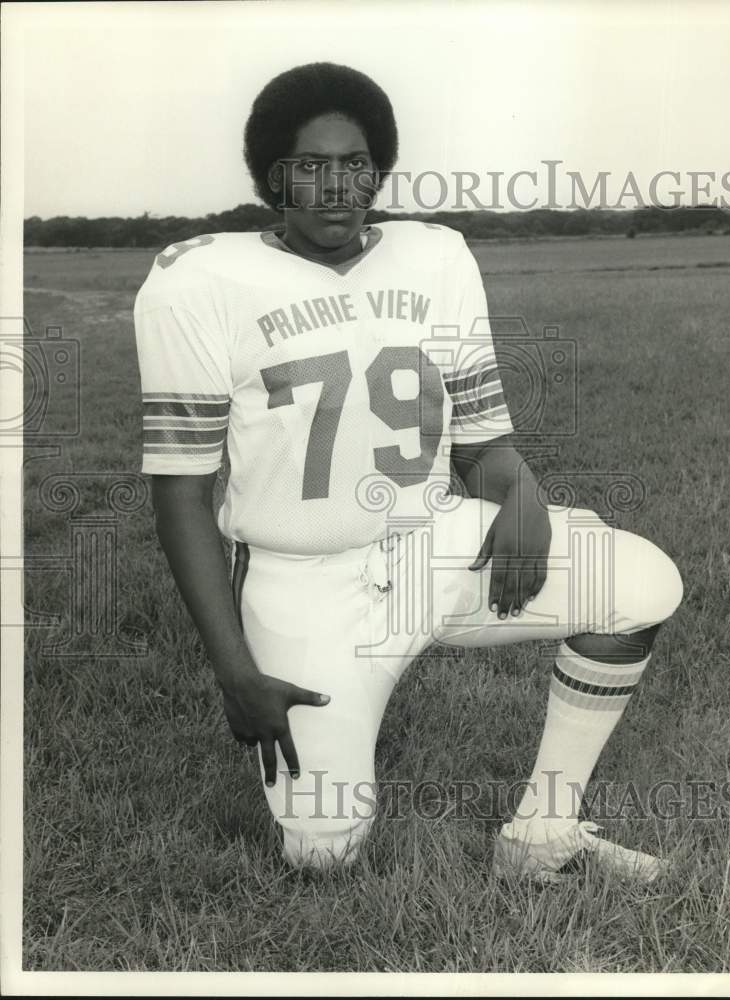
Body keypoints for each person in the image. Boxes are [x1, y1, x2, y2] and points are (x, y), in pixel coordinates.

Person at [133, 62, 683, 882]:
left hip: (432, 547)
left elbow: (483, 444)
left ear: (378, 169)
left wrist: (520, 492)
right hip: (304, 580)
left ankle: (542, 834)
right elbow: (180, 492)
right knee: (325, 851)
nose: (333, 186)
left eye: (353, 164)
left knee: (639, 583)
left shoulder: (435, 257)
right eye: (308, 167)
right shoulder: (200, 279)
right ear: (270, 176)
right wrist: (235, 670)